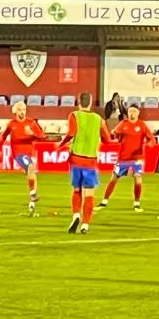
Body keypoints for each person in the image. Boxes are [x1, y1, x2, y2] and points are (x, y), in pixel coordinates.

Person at [61, 91, 105, 234]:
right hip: (90, 161)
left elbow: (71, 133)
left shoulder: (74, 115)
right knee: (89, 194)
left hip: (76, 159)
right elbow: (108, 139)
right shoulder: (98, 119)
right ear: (90, 102)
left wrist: (61, 144)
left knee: (77, 190)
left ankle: (76, 215)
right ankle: (85, 224)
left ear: (78, 102)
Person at [0, 98, 49, 216]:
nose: (23, 112)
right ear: (15, 111)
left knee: (32, 174)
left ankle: (32, 203)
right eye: (20, 110)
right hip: (18, 153)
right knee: (31, 167)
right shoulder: (11, 124)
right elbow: (3, 136)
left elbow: (42, 135)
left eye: (24, 110)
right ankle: (32, 193)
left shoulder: (31, 122)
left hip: (30, 152)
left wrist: (33, 135)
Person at [102, 103, 156, 211]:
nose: (132, 113)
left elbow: (152, 138)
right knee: (114, 178)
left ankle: (137, 203)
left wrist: (150, 144)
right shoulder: (123, 123)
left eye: (134, 111)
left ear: (138, 113)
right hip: (123, 157)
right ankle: (104, 201)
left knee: (138, 179)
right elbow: (115, 134)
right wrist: (113, 134)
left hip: (137, 157)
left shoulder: (142, 125)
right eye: (130, 111)